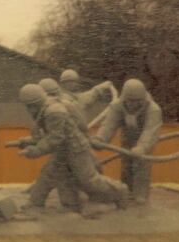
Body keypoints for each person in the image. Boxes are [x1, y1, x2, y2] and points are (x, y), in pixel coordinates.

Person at [17, 84, 129, 215]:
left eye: (29, 106)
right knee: (48, 174)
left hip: (75, 149)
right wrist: (29, 141)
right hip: (63, 148)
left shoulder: (54, 112)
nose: (28, 109)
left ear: (35, 104)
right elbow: (51, 134)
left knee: (89, 179)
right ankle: (38, 204)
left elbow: (54, 138)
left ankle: (120, 191)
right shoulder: (46, 107)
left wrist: (36, 150)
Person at [92, 78, 162, 204]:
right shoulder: (117, 106)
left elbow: (150, 131)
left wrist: (142, 147)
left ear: (142, 99)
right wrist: (100, 138)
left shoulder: (153, 109)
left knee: (141, 165)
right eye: (129, 101)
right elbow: (109, 125)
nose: (132, 104)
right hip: (127, 139)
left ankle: (140, 194)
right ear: (124, 98)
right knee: (126, 164)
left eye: (136, 101)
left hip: (144, 141)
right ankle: (127, 191)